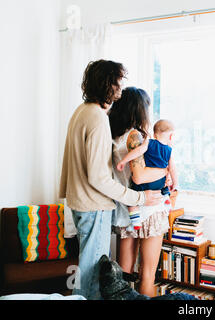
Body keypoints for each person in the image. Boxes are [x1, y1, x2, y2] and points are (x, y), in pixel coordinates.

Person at [59, 60, 166, 300]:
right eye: (118, 81)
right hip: (93, 205)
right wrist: (140, 197)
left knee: (93, 270)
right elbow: (99, 177)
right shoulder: (97, 118)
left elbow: (69, 162)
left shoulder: (82, 111)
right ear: (107, 83)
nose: (121, 87)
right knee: (93, 274)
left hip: (79, 202)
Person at [108, 87, 172, 297]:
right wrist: (166, 170)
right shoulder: (135, 136)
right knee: (147, 277)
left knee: (123, 279)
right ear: (140, 109)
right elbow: (140, 176)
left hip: (127, 210)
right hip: (149, 208)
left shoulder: (115, 136)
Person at [116, 119, 178, 230]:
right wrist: (175, 183)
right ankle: (166, 198)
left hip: (146, 182)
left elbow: (138, 152)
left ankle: (135, 222)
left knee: (132, 199)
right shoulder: (169, 150)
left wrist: (124, 161)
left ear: (154, 134)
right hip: (160, 183)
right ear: (171, 136)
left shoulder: (149, 142)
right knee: (165, 186)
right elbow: (172, 169)